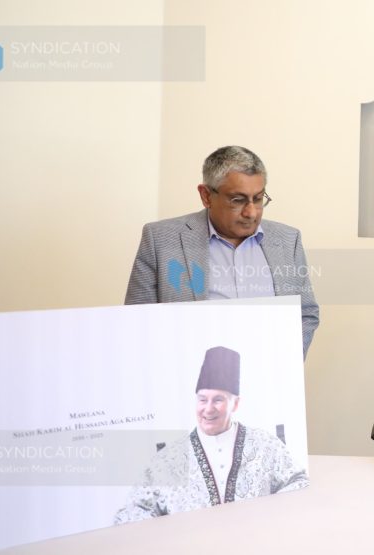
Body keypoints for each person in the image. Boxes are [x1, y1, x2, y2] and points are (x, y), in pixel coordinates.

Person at [124, 146, 320, 358]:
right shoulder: (160, 239)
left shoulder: (287, 240)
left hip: (268, 380)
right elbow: (137, 321)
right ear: (206, 195)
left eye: (259, 198)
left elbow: (305, 313)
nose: (251, 212)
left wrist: (284, 363)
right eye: (238, 200)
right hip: (187, 380)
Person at [114, 346, 308, 523]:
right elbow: (133, 511)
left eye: (218, 400)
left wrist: (266, 515)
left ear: (236, 404)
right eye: (202, 399)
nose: (208, 409)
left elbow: (298, 482)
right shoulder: (168, 458)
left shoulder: (265, 444)